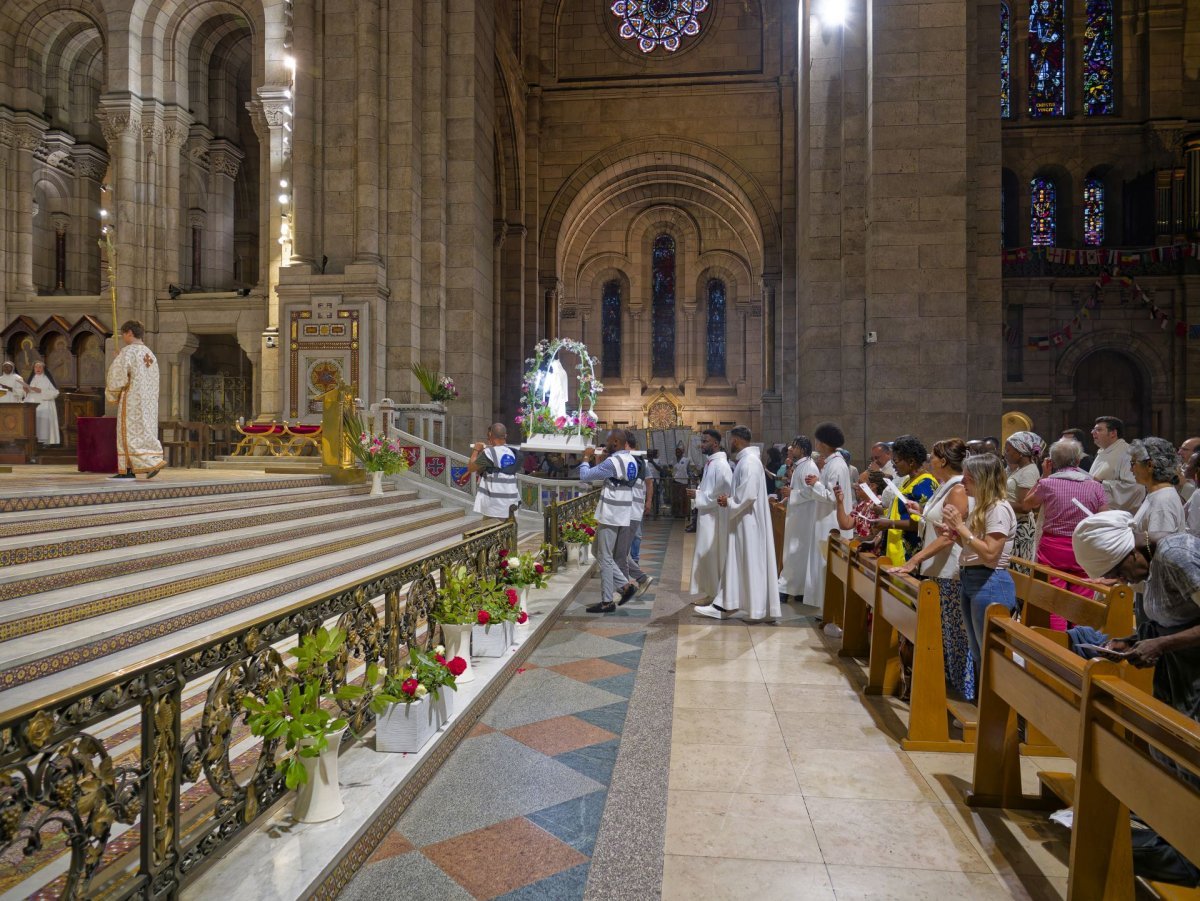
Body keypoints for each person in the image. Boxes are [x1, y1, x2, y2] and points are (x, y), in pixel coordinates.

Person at [1070, 512, 1200, 888]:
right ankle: (1176, 840)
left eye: (1121, 571)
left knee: (1187, 757)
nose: (1124, 581)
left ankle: (1189, 854)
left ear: (1132, 551)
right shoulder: (1151, 561)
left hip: (1193, 671)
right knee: (1169, 754)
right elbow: (1168, 619)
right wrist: (1133, 638)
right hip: (1179, 671)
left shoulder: (1177, 555)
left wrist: (1162, 643)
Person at [886, 439, 975, 701]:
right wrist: (923, 511)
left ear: (944, 461)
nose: (929, 459)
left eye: (933, 456)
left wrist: (914, 561)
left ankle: (961, 699)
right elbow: (939, 522)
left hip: (949, 569)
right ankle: (941, 694)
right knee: (940, 635)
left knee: (952, 639)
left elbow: (950, 535)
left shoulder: (957, 488)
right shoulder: (947, 486)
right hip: (936, 568)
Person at [940, 452, 1018, 671]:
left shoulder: (998, 509)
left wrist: (961, 527)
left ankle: (994, 704)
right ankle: (980, 702)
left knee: (990, 653)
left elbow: (991, 553)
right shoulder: (983, 507)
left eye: (968, 478)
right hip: (972, 577)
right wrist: (956, 534)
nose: (963, 482)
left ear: (982, 479)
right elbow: (973, 550)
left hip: (990, 581)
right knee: (977, 651)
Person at [1019, 438, 1106, 628]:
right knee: (1082, 598)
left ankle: (1056, 643)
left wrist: (1043, 475)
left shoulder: (1048, 484)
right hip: (1083, 547)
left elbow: (1026, 504)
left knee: (1054, 601)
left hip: (1053, 548)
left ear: (1053, 461)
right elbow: (1105, 516)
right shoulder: (1095, 486)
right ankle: (1077, 646)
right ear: (1077, 460)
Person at [698, 427, 779, 622]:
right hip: (743, 519)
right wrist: (732, 500)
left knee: (749, 563)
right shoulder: (746, 460)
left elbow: (749, 494)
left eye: (731, 439)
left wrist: (730, 502)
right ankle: (727, 604)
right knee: (740, 564)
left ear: (737, 439)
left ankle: (753, 610)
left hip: (747, 522)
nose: (730, 443)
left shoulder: (749, 462)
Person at [578, 430, 639, 614]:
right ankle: (623, 586)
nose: (605, 444)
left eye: (607, 441)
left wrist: (586, 458)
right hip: (622, 512)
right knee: (597, 551)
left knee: (605, 557)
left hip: (611, 513)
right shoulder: (631, 461)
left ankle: (609, 599)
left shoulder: (613, 462)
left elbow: (585, 476)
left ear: (615, 441)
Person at [804, 422, 855, 617]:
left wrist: (816, 484)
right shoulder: (832, 462)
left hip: (831, 521)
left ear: (823, 443)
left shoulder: (836, 465)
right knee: (822, 564)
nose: (815, 444)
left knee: (827, 565)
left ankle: (830, 610)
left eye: (817, 441)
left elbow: (833, 496)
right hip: (825, 518)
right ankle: (825, 607)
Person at [105, 320, 165, 479]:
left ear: (130, 333)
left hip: (131, 402)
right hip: (148, 404)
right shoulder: (150, 354)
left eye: (123, 334)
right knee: (144, 433)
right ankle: (149, 460)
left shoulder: (128, 352)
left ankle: (130, 469)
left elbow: (117, 378)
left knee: (128, 434)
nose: (123, 338)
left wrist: (113, 394)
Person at [872, 435, 938, 565]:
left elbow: (921, 524)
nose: (893, 466)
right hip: (895, 547)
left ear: (911, 461)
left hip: (910, 554)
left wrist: (889, 523)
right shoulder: (907, 480)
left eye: (895, 461)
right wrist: (877, 539)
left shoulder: (925, 484)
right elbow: (896, 513)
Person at [689, 429, 733, 602]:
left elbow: (723, 492)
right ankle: (711, 592)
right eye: (702, 440)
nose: (702, 444)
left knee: (711, 554)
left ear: (715, 443)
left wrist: (698, 496)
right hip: (707, 515)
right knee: (706, 555)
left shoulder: (721, 465)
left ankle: (716, 594)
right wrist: (698, 492)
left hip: (715, 518)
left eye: (705, 441)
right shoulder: (711, 463)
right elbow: (710, 489)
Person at [776, 435, 820, 604]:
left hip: (804, 516)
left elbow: (812, 492)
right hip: (797, 514)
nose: (790, 449)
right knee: (793, 551)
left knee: (796, 552)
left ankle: (786, 589)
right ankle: (798, 589)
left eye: (793, 446)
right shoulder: (800, 466)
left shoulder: (809, 467)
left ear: (802, 449)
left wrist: (792, 493)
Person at [613, 433, 653, 594]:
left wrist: (648, 501)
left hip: (631, 511)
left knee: (620, 553)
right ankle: (637, 581)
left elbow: (649, 483)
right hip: (624, 511)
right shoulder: (622, 460)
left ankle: (629, 585)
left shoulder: (640, 462)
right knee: (619, 552)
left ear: (626, 444)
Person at [1130, 437, 1186, 542]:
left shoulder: (1162, 501)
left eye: (1133, 463)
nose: (1130, 469)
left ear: (1150, 465)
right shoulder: (1157, 493)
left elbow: (1158, 545)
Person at [465, 422, 520, 522]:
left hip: (495, 506)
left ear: (490, 435)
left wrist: (476, 450)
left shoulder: (490, 452)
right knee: (509, 534)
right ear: (505, 436)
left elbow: (471, 468)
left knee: (489, 534)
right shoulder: (511, 452)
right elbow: (495, 470)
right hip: (511, 502)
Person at [1004, 430, 1044, 564]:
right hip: (1013, 524)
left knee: (1016, 569)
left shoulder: (1028, 472)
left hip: (1021, 527)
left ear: (1020, 451)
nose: (1005, 453)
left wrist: (996, 502)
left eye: (1008, 450)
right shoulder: (1018, 469)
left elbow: (1024, 506)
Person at [1090, 416, 1144, 513]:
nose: (1093, 432)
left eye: (1098, 430)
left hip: (1119, 517)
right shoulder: (1103, 451)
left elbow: (1134, 487)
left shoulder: (1127, 452)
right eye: (1093, 429)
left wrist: (1101, 484)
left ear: (1113, 433)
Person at [26, 361, 60, 445]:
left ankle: (45, 442)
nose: (38, 369)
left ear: (43, 369)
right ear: (33, 369)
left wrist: (41, 391)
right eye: (36, 367)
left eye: (40, 367)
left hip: (45, 405)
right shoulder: (32, 379)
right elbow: (28, 392)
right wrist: (26, 391)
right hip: (32, 404)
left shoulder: (47, 379)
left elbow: (55, 392)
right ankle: (33, 441)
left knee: (44, 424)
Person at [672, 445, 693, 519]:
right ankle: (676, 513)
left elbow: (689, 471)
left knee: (683, 498)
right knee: (676, 498)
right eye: (676, 451)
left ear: (682, 452)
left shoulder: (686, 460)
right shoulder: (673, 460)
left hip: (683, 482)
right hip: (675, 482)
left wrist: (691, 476)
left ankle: (684, 513)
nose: (677, 453)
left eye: (679, 451)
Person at [1177, 437, 1200, 503]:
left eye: (1184, 449)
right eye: (1180, 448)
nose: (1179, 452)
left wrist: (1185, 485)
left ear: (1197, 453)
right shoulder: (1179, 469)